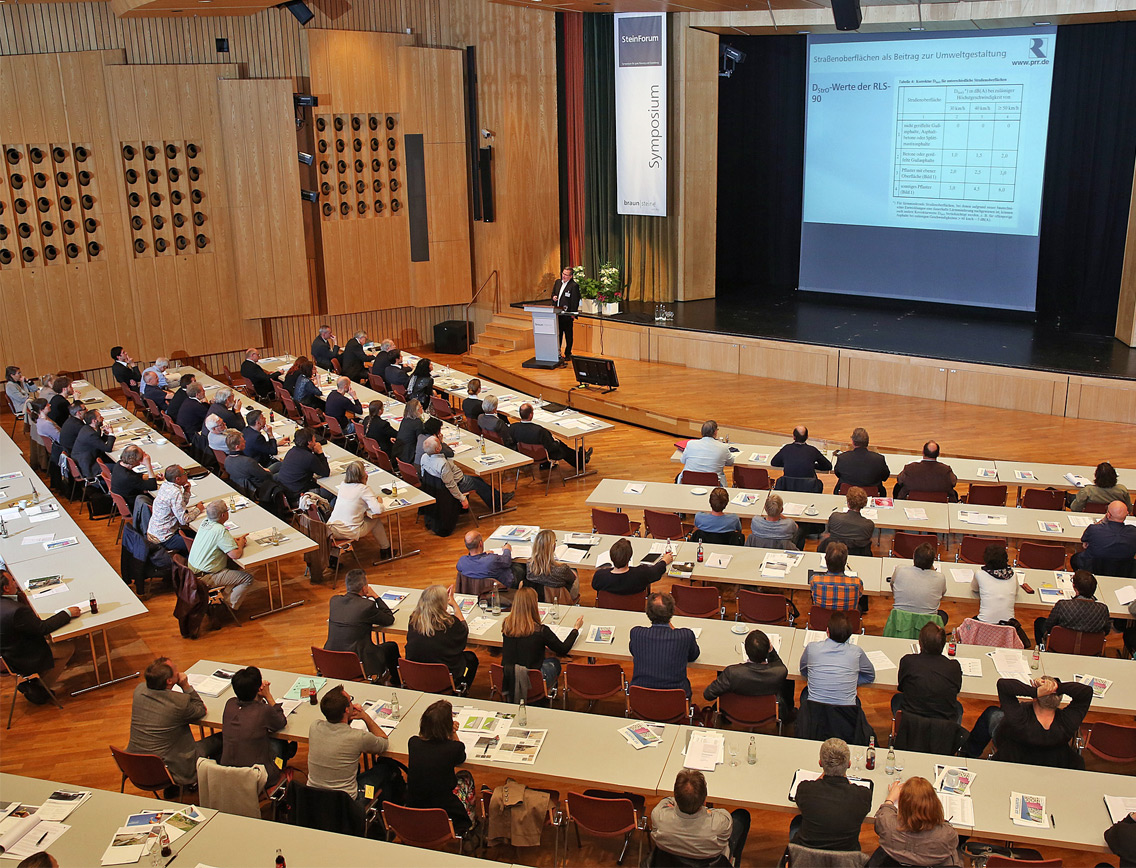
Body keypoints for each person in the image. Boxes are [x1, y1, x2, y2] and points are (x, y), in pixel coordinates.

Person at [127, 657, 219, 788]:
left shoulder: (139, 691)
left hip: (135, 765)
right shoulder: (178, 704)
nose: (178, 670)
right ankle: (211, 784)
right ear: (169, 681)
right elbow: (200, 710)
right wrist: (185, 686)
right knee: (222, 738)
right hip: (171, 767)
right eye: (175, 669)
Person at [962, 676, 1093, 767]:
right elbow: (1086, 692)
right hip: (1053, 761)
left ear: (1036, 698)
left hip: (1015, 759)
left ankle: (967, 754)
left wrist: (1034, 691)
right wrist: (1057, 687)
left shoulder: (1019, 719)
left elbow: (1004, 685)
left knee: (992, 714)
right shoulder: (1067, 723)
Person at [0, 564, 79, 695]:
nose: (16, 582)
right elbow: (43, 628)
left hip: (10, 650)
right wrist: (68, 613)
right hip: (24, 656)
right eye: (12, 580)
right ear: (6, 588)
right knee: (68, 648)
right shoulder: (16, 610)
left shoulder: (9, 606)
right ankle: (42, 689)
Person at [651, 769, 751, 868]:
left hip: (669, 863)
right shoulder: (720, 823)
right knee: (742, 816)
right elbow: (721, 814)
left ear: (676, 796)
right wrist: (706, 810)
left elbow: (666, 800)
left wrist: (682, 799)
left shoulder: (659, 816)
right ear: (704, 798)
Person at [307, 685, 389, 799]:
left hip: (313, 797)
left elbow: (339, 731)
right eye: (350, 701)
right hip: (345, 803)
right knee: (386, 769)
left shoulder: (314, 726)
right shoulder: (358, 737)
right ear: (346, 709)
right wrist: (366, 717)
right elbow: (383, 743)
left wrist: (348, 717)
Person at [407, 699, 475, 833]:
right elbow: (461, 756)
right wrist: (452, 732)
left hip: (415, 807)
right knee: (466, 777)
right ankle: (470, 824)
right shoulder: (453, 748)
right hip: (445, 809)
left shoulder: (413, 743)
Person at [791, 738, 872, 852]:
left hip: (807, 858)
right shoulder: (863, 795)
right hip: (845, 858)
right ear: (848, 764)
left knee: (796, 823)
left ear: (820, 763)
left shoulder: (805, 789)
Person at [501, 587, 582, 700]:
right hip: (533, 678)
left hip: (508, 676)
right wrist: (576, 629)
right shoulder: (541, 630)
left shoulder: (507, 625)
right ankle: (547, 692)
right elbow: (563, 649)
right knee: (554, 663)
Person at [325, 569, 401, 685]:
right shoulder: (367, 606)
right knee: (391, 647)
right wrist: (376, 597)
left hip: (332, 659)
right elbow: (389, 619)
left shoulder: (334, 601)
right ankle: (396, 682)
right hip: (358, 662)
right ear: (364, 588)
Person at [703, 628, 794, 721]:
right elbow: (779, 665)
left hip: (735, 713)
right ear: (768, 650)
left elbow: (708, 694)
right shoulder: (779, 673)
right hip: (767, 714)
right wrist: (772, 651)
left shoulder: (732, 673)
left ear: (746, 651)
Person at [221, 666, 290, 787]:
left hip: (228, 772)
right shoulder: (264, 710)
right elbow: (280, 722)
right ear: (258, 688)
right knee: (281, 743)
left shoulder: (229, 704)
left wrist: (257, 699)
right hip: (258, 775)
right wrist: (268, 696)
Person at [872, 777, 962, 867]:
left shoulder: (887, 824)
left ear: (903, 806)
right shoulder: (947, 834)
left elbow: (884, 813)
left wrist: (890, 798)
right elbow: (953, 845)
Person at [186, 500, 255, 611]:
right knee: (247, 578)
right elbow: (235, 554)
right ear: (223, 515)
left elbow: (213, 540)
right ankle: (227, 607)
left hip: (192, 572)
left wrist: (231, 541)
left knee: (233, 567)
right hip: (206, 576)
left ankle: (225, 597)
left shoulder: (205, 522)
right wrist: (240, 545)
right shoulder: (221, 531)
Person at [406, 584, 478, 690]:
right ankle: (462, 689)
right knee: (471, 658)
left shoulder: (414, 620)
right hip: (444, 676)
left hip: (416, 673)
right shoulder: (450, 623)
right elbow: (464, 629)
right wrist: (454, 604)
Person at [629, 592, 700, 697]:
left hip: (641, 698)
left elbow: (633, 651)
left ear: (647, 612)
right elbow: (693, 655)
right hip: (676, 699)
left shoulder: (637, 633)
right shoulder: (685, 635)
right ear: (672, 612)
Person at [798, 612, 875, 707]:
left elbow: (803, 670)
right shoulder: (856, 652)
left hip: (815, 713)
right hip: (846, 715)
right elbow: (870, 676)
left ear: (827, 631)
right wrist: (852, 679)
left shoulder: (812, 648)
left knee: (805, 693)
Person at [421, 436, 513, 510]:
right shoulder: (442, 463)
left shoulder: (424, 457)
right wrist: (462, 498)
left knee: (478, 480)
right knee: (479, 483)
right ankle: (497, 503)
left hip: (439, 485)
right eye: (440, 443)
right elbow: (450, 484)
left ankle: (498, 498)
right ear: (437, 449)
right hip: (458, 483)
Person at [895, 623, 963, 723]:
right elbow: (957, 690)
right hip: (943, 728)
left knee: (897, 699)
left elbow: (902, 687)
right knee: (958, 707)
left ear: (920, 643)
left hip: (911, 726)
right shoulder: (953, 667)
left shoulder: (908, 661)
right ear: (944, 644)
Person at [327, 461, 392, 559]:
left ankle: (333, 558)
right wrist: (380, 502)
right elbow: (378, 510)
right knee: (375, 520)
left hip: (332, 529)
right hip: (350, 531)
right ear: (362, 476)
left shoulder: (343, 485)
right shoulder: (364, 489)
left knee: (369, 518)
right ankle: (386, 550)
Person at [1033, 568, 1111, 647]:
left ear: (1074, 587)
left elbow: (1049, 626)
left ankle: (1042, 652)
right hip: (1089, 648)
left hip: (1062, 646)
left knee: (1039, 622)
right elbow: (1106, 631)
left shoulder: (1062, 605)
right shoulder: (1103, 609)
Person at [970, 543, 1028, 645]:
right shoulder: (1013, 575)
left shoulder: (980, 574)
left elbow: (974, 589)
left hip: (984, 624)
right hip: (1007, 626)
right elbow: (1016, 592)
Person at [510, 402, 591, 469]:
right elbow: (551, 447)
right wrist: (556, 442)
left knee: (558, 444)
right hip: (542, 455)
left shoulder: (513, 427)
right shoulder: (540, 431)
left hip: (525, 453)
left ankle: (580, 457)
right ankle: (580, 462)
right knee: (561, 446)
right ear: (531, 415)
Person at [148, 465, 203, 555]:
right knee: (200, 544)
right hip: (165, 538)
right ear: (177, 479)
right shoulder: (175, 492)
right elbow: (184, 520)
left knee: (196, 536)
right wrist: (198, 509)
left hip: (155, 532)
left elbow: (181, 506)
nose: (187, 474)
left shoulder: (166, 485)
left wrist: (187, 491)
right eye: (184, 473)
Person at [593, 538, 672, 598]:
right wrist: (664, 561)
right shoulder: (641, 574)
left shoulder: (599, 576)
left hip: (609, 611)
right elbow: (656, 572)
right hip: (636, 610)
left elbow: (595, 586)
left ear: (611, 557)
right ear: (630, 557)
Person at [889, 542, 947, 624]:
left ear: (914, 557)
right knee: (943, 615)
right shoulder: (940, 578)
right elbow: (942, 594)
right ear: (932, 562)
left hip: (900, 623)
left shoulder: (900, 570)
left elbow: (892, 585)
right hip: (926, 628)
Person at [1071, 501, 1136, 573]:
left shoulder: (1094, 529)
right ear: (1127, 514)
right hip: (1123, 571)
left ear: (1108, 515)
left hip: (1093, 568)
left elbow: (1084, 542)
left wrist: (1103, 521)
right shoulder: (1133, 531)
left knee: (1075, 558)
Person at [525, 529, 581, 603]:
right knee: (574, 571)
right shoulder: (562, 569)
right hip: (559, 598)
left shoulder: (530, 566)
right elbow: (572, 579)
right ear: (554, 547)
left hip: (537, 598)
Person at [833, 428, 890, 496]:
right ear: (867, 442)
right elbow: (885, 477)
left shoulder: (842, 458)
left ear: (853, 442)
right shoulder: (879, 459)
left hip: (847, 494)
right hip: (871, 495)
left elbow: (838, 474)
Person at [820, 486, 875, 556]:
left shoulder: (835, 517)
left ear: (848, 503)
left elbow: (829, 531)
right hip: (859, 555)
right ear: (863, 505)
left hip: (836, 554)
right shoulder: (868, 525)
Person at [276, 427, 330, 497]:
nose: (316, 440)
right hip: (298, 495)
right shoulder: (309, 457)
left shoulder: (292, 451)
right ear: (309, 442)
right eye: (314, 439)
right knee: (330, 493)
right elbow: (325, 472)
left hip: (285, 491)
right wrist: (320, 453)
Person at [808, 542, 862, 613]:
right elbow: (860, 595)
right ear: (845, 561)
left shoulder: (815, 580)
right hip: (847, 622)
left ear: (826, 560)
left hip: (822, 621)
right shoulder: (856, 583)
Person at [678, 420, 733, 487]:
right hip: (713, 485)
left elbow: (682, 460)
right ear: (715, 432)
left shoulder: (690, 444)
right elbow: (731, 462)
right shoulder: (723, 447)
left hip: (690, 483)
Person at [110, 444, 158, 511]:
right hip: (134, 505)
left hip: (126, 498)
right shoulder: (128, 477)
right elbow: (153, 486)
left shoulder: (119, 464)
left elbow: (136, 476)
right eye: (142, 455)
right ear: (136, 460)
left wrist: (151, 476)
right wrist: (148, 464)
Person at [72, 409, 115, 478]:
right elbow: (108, 448)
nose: (102, 418)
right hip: (89, 466)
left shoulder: (86, 428)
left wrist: (106, 434)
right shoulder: (90, 434)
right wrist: (111, 433)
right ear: (94, 421)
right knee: (117, 468)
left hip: (87, 460)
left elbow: (98, 443)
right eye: (100, 417)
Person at [551, 265, 580, 358]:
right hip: (557, 314)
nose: (564, 276)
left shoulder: (574, 286)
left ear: (571, 276)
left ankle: (568, 353)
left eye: (566, 275)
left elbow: (575, 301)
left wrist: (573, 313)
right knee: (558, 334)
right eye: (563, 274)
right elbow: (553, 293)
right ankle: (557, 352)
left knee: (568, 335)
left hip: (567, 314)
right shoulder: (558, 282)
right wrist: (554, 297)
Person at [396, 399, 425, 463]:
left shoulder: (405, 419)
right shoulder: (417, 422)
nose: (422, 408)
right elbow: (420, 440)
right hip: (410, 454)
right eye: (420, 406)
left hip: (400, 451)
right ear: (417, 410)